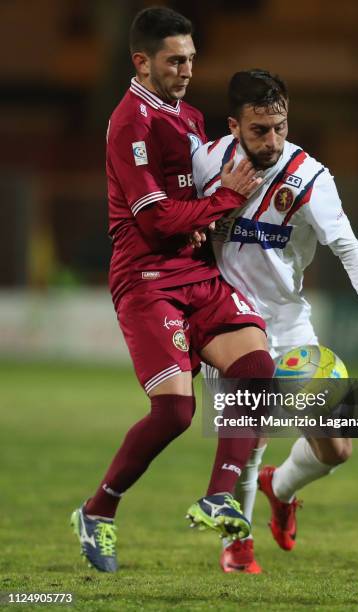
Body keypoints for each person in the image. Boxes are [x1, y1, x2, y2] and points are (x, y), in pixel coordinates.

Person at [70, 8, 277, 573]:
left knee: (256, 368)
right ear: (142, 62)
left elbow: (195, 196)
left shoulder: (188, 116)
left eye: (190, 58)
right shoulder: (129, 122)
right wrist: (224, 201)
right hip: (147, 279)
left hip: (196, 271)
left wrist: (217, 212)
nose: (186, 69)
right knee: (176, 411)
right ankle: (98, 509)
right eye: (174, 60)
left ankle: (217, 496)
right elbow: (156, 221)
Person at [192, 69, 358, 573]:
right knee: (247, 439)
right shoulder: (205, 161)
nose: (272, 139)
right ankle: (236, 545)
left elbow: (347, 244)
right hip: (228, 326)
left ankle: (281, 486)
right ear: (234, 125)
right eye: (259, 130)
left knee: (338, 449)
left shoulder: (309, 178)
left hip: (290, 327)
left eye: (280, 126)